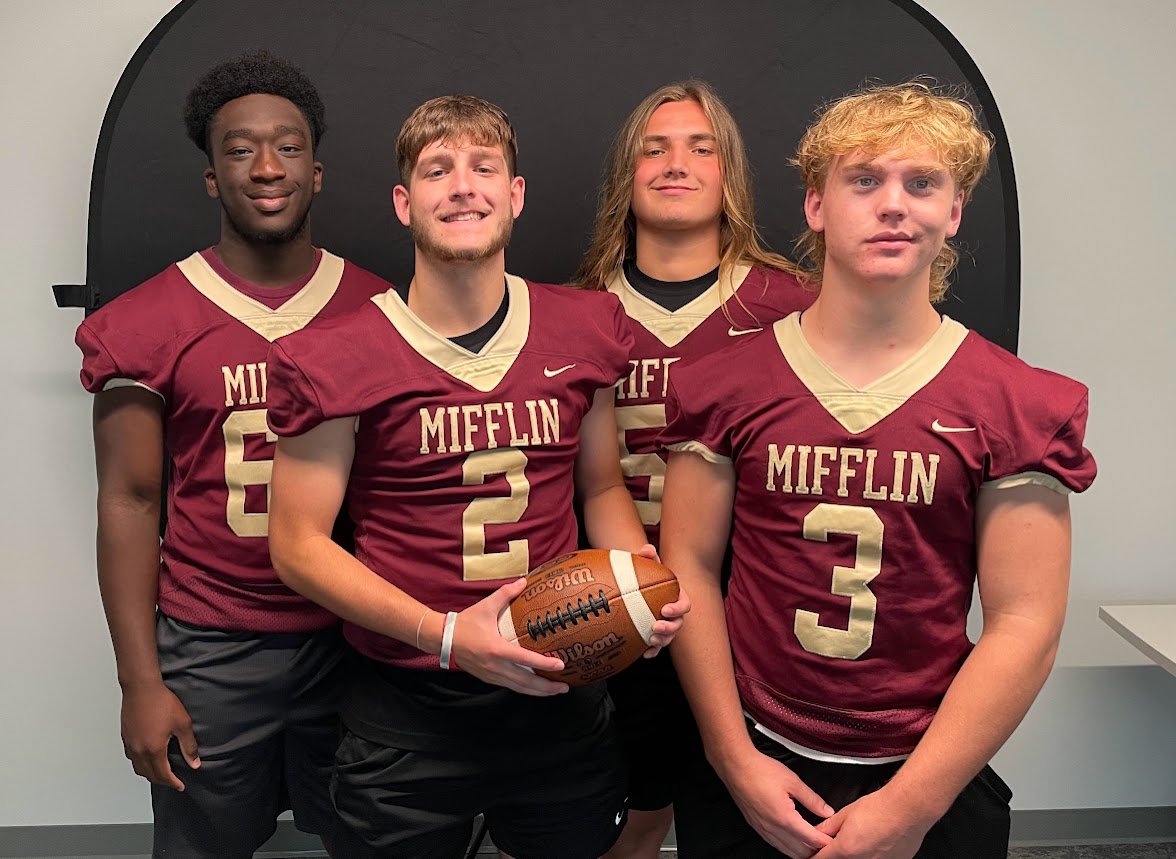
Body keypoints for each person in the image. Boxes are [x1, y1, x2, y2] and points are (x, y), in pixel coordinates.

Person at [659, 81, 1096, 859]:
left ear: (954, 211)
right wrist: (731, 756)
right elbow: (687, 566)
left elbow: (1025, 622)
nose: (893, 204)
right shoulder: (726, 383)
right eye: (864, 180)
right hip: (759, 749)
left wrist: (911, 806)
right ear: (817, 206)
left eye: (921, 182)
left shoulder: (1015, 403)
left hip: (922, 761)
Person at [264, 94, 689, 859]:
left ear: (516, 194)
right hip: (408, 704)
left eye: (483, 167)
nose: (463, 186)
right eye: (437, 170)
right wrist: (451, 634)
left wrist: (643, 581)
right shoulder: (332, 353)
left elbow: (597, 488)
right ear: (404, 202)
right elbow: (296, 544)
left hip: (562, 691)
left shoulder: (585, 327)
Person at [75, 51, 390, 857]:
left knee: (379, 838)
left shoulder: (380, 308)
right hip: (212, 639)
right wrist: (139, 682)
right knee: (202, 845)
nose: (265, 167)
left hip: (354, 631)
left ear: (316, 172)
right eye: (239, 149)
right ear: (213, 178)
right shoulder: (147, 322)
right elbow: (130, 500)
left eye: (285, 146)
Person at [575, 80, 812, 858]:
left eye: (701, 147)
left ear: (729, 174)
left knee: (735, 813)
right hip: (613, 605)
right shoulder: (571, 313)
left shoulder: (795, 307)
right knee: (619, 812)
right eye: (656, 146)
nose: (676, 163)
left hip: (749, 607)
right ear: (627, 174)